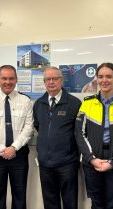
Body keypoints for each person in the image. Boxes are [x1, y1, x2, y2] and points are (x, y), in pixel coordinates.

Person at [75, 62, 113, 209]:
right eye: (100, 76)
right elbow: (79, 134)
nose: (104, 80)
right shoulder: (87, 104)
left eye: (108, 76)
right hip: (92, 163)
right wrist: (92, 159)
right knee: (96, 203)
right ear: (96, 79)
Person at [0, 65, 33, 209]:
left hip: (19, 155)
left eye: (11, 78)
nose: (7, 82)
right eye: (4, 78)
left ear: (16, 80)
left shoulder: (25, 101)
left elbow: (28, 128)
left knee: (20, 196)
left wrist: (14, 147)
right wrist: (2, 149)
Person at [33, 66, 81, 209]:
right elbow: (37, 126)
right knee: (50, 203)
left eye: (55, 78)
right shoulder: (38, 104)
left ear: (62, 81)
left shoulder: (74, 103)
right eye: (48, 79)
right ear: (44, 82)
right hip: (45, 164)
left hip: (67, 163)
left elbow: (79, 132)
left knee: (70, 202)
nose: (51, 82)